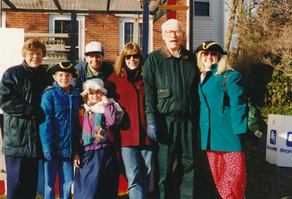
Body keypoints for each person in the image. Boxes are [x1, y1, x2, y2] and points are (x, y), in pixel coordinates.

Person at [143, 19, 199, 199]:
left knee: (188, 165)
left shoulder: (192, 59)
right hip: (165, 122)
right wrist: (151, 119)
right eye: (169, 32)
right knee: (164, 167)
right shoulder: (153, 59)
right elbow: (149, 93)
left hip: (188, 122)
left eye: (177, 32)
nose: (173, 36)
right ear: (162, 35)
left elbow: (198, 91)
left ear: (183, 35)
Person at [195, 41, 247, 199]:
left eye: (213, 54)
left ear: (219, 56)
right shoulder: (201, 77)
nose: (209, 57)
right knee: (220, 178)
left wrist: (240, 132)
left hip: (230, 135)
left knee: (235, 176)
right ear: (200, 56)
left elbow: (238, 104)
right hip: (210, 137)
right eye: (205, 54)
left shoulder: (230, 75)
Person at [0, 38, 48, 199]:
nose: (35, 57)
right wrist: (28, 109)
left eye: (39, 54)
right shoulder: (13, 73)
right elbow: (5, 100)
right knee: (16, 185)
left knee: (30, 186)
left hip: (35, 140)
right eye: (31, 53)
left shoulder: (44, 75)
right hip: (17, 139)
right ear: (25, 55)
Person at [105, 42, 153, 199]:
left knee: (145, 176)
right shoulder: (114, 80)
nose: (132, 59)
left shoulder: (148, 78)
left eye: (135, 56)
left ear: (140, 58)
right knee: (133, 178)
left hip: (147, 136)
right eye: (128, 56)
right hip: (126, 138)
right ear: (123, 59)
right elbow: (99, 99)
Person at [73, 78, 120, 199]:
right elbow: (77, 132)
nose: (95, 96)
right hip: (88, 153)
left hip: (106, 150)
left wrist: (106, 103)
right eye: (91, 93)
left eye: (98, 92)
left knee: (106, 186)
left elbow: (112, 121)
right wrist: (76, 152)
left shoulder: (107, 107)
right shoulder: (82, 110)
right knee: (88, 186)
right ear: (86, 95)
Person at [39, 62, 80, 199]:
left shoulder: (76, 95)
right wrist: (46, 146)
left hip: (67, 148)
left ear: (72, 77)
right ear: (55, 77)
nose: (64, 78)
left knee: (67, 182)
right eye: (60, 75)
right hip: (51, 147)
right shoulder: (49, 94)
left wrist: (75, 149)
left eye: (68, 75)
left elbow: (77, 124)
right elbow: (45, 122)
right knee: (49, 183)